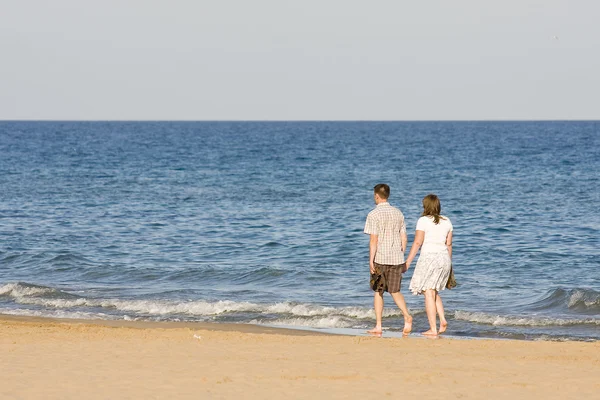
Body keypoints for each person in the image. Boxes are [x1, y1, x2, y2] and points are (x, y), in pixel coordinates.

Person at [364, 183, 413, 335]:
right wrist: (401, 254)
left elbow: (373, 240)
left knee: (378, 291)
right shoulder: (398, 213)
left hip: (381, 257)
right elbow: (404, 238)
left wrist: (370, 260)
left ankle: (378, 325)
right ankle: (407, 316)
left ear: (377, 196)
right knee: (395, 291)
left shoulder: (373, 214)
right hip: (396, 258)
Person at [405, 194, 453, 336]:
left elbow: (418, 242)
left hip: (429, 258)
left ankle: (433, 329)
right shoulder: (447, 221)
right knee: (433, 291)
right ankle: (442, 320)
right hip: (444, 258)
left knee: (428, 292)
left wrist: (408, 261)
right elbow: (449, 244)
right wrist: (449, 264)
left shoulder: (423, 221)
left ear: (426, 206)